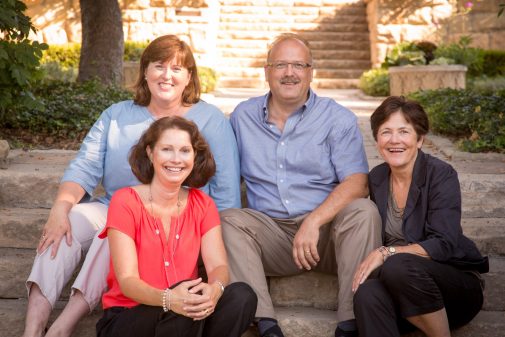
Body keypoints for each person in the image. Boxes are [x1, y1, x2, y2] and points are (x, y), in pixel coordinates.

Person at [22, 35, 241, 337]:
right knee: (68, 225)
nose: (167, 75)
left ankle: (64, 325)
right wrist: (60, 208)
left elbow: (227, 191)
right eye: (158, 66)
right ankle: (33, 327)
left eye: (177, 69)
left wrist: (212, 250)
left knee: (109, 234)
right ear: (145, 72)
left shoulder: (211, 120)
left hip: (177, 216)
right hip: (116, 205)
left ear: (189, 77)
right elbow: (84, 166)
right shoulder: (117, 115)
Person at [220, 33, 382, 337]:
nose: (289, 73)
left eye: (298, 65)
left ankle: (350, 323)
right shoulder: (243, 117)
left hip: (329, 236)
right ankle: (265, 323)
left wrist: (314, 221)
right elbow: (224, 176)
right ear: (267, 72)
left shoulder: (337, 118)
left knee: (364, 211)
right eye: (280, 65)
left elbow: (358, 182)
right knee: (228, 220)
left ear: (311, 72)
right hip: (273, 238)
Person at [95, 116, 257, 337]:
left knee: (241, 296)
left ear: (194, 156)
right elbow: (127, 281)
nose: (176, 159)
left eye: (184, 150)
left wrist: (214, 290)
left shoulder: (203, 204)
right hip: (129, 318)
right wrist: (169, 299)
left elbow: (218, 266)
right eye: (167, 149)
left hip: (184, 313)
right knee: (184, 306)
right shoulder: (125, 201)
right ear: (151, 153)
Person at [352, 96, 489, 337]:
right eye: (386, 133)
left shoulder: (441, 174)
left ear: (420, 139)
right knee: (367, 294)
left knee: (396, 264)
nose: (394, 140)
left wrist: (387, 252)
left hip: (455, 287)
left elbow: (444, 244)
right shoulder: (377, 178)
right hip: (403, 289)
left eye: (404, 132)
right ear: (376, 141)